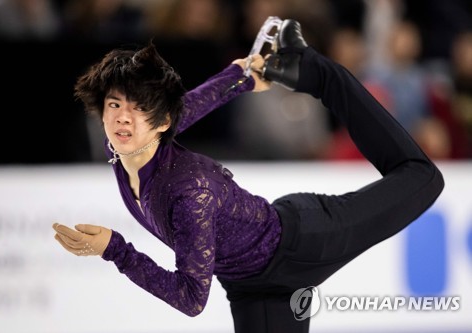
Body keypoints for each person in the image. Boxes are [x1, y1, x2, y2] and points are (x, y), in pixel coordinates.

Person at [52, 19, 444, 333]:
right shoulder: (123, 146)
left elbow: (191, 299)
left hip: (305, 242)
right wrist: (239, 78)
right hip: (249, 288)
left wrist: (115, 250)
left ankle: (318, 73)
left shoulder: (189, 191)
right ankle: (290, 66)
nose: (123, 116)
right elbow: (182, 110)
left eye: (137, 108)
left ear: (161, 123)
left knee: (423, 178)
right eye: (114, 104)